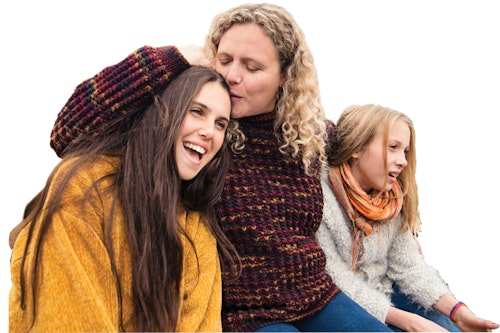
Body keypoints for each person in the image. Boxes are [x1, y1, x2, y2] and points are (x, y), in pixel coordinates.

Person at [47, 3, 396, 332]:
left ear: (286, 76)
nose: (231, 76)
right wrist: (171, 58)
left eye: (252, 67)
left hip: (316, 296)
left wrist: (399, 221)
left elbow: (370, 154)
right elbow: (66, 133)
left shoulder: (309, 133)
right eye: (225, 59)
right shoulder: (196, 127)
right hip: (245, 317)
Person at [9, 65, 241, 332]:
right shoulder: (84, 187)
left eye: (220, 124)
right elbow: (68, 319)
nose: (209, 132)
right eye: (197, 111)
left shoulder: (196, 225)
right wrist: (168, 58)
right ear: (162, 111)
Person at [316, 104, 499, 332]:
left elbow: (408, 266)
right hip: (336, 303)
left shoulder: (391, 200)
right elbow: (333, 278)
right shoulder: (317, 196)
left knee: (448, 327)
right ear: (357, 147)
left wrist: (458, 312)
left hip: (384, 291)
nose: (403, 160)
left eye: (405, 151)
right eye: (393, 147)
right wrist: (408, 322)